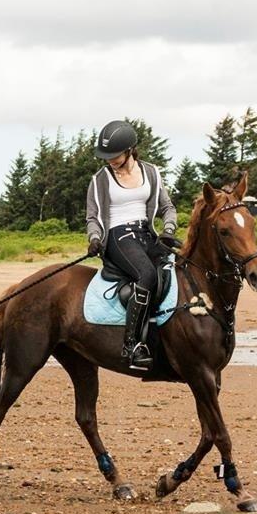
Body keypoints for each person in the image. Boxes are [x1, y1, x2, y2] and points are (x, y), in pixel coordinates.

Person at [84, 120, 181, 370]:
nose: (110, 160)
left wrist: (168, 230)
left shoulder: (151, 172)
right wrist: (95, 238)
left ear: (130, 150)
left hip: (146, 234)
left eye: (114, 155)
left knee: (177, 269)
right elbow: (93, 216)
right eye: (106, 156)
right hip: (118, 235)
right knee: (146, 274)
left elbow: (167, 207)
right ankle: (132, 346)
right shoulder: (100, 180)